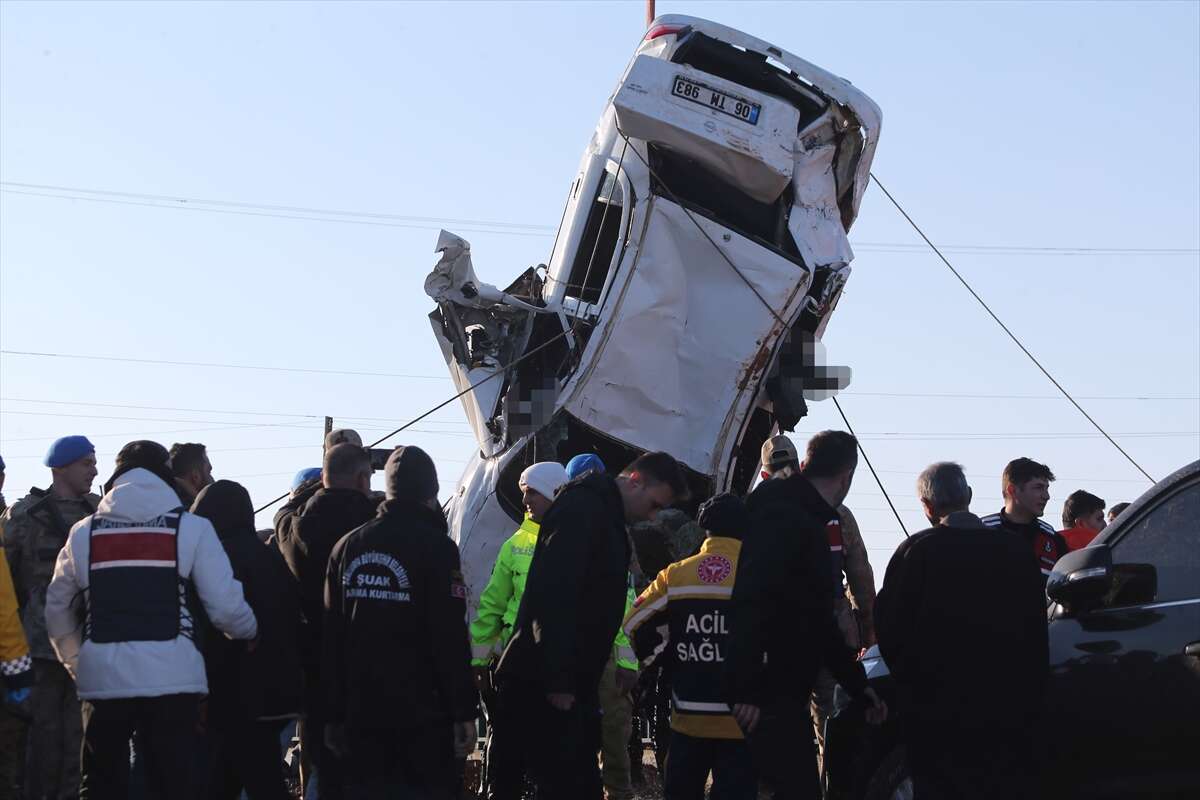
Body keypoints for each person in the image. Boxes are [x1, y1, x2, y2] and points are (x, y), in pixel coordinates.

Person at [43, 440, 258, 800]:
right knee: (173, 783)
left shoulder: (84, 532)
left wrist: (78, 663)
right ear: (165, 476)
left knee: (101, 785)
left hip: (103, 680)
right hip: (173, 681)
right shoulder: (191, 528)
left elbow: (57, 608)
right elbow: (224, 607)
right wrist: (249, 630)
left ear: (117, 476)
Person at [496, 451, 690, 800]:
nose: (653, 516)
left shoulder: (604, 516)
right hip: (547, 684)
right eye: (654, 505)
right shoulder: (584, 509)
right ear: (636, 481)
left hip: (571, 683)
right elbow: (555, 592)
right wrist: (559, 679)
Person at [727, 430, 886, 800]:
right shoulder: (798, 519)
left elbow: (813, 613)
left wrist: (857, 684)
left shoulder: (779, 511)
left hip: (789, 668)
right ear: (846, 476)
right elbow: (753, 601)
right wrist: (747, 686)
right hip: (772, 680)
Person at [875, 462, 1048, 800]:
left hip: (936, 717)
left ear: (927, 506)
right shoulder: (1016, 552)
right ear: (969, 495)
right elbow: (1037, 632)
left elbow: (890, 632)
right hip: (1007, 712)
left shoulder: (915, 553)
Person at [321, 446, 478, 799]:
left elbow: (332, 638)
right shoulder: (438, 549)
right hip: (423, 717)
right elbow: (448, 636)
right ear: (431, 493)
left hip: (361, 714)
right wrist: (463, 710)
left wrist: (331, 713)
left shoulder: (347, 547)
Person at [623, 493, 754, 800]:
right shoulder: (759, 574)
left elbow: (632, 624)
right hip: (742, 722)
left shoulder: (676, 575)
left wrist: (658, 656)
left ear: (703, 528)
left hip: (688, 720)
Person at [758, 434, 877, 767]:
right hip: (833, 632)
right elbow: (861, 579)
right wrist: (868, 631)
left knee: (781, 727)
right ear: (801, 467)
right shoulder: (838, 514)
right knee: (831, 725)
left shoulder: (757, 513)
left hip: (779, 639)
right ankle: (828, 783)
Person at [274, 443, 377, 800]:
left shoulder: (297, 530)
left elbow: (282, 515)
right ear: (362, 479)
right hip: (369, 665)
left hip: (314, 664)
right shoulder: (374, 522)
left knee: (320, 762)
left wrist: (311, 490)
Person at [191, 481, 303, 800]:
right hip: (272, 692)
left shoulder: (215, 559)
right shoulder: (269, 556)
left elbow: (212, 626)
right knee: (245, 774)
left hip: (230, 693)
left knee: (249, 778)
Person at [3, 435, 99, 800]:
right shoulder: (25, 515)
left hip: (86, 647)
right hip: (38, 650)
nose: (94, 471)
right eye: (86, 463)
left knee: (80, 740)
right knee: (39, 741)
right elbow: (6, 582)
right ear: (61, 467)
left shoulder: (99, 514)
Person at [469, 461, 569, 799]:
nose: (525, 501)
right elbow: (492, 606)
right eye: (524, 494)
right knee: (508, 751)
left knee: (553, 757)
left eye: (532, 494)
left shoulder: (578, 541)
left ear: (555, 493)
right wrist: (480, 660)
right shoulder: (513, 546)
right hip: (516, 663)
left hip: (560, 667)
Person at [981, 458, 1067, 583]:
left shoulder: (1053, 540)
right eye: (1038, 487)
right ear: (1012, 490)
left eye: (1046, 488)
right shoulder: (982, 532)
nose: (1046, 496)